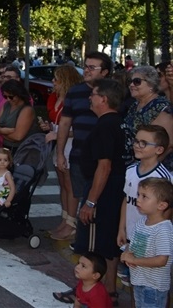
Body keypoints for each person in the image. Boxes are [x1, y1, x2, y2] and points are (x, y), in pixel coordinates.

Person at [55, 78, 125, 305]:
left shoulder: (106, 125)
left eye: (93, 95)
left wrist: (91, 202)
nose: (89, 98)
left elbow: (104, 167)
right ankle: (108, 291)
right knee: (107, 245)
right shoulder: (117, 122)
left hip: (102, 192)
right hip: (109, 190)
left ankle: (88, 291)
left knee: (94, 247)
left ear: (103, 99)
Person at [55, 52, 113, 252]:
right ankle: (74, 228)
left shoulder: (114, 92)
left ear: (105, 72)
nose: (86, 70)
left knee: (99, 199)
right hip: (79, 154)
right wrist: (60, 153)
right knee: (76, 192)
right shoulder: (75, 91)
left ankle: (93, 241)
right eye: (85, 66)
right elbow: (65, 123)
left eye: (92, 67)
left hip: (104, 157)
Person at [117, 125, 171, 289]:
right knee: (135, 281)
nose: (137, 145)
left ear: (159, 150)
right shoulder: (130, 170)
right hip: (131, 234)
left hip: (149, 239)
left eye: (144, 143)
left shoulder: (163, 178)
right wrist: (121, 228)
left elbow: (167, 212)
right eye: (136, 141)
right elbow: (127, 199)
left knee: (152, 284)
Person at [41, 64, 85, 241]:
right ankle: (65, 218)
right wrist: (49, 127)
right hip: (58, 142)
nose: (53, 82)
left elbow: (80, 128)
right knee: (62, 182)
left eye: (56, 79)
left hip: (70, 143)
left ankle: (71, 222)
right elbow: (57, 121)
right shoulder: (54, 97)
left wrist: (58, 133)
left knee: (70, 183)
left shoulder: (75, 100)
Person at [122, 178, 173, 308]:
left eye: (144, 196)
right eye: (138, 194)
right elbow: (132, 245)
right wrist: (127, 253)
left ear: (161, 205)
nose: (138, 199)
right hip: (139, 281)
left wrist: (134, 260)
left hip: (153, 287)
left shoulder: (163, 229)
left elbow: (162, 260)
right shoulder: (141, 222)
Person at [120, 66, 173, 168]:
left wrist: (148, 167)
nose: (131, 85)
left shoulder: (161, 106)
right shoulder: (134, 105)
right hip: (135, 165)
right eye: (130, 81)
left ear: (151, 85)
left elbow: (169, 144)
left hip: (156, 169)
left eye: (137, 81)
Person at [0, 79, 41, 152]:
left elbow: (18, 137)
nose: (8, 99)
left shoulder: (26, 110)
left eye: (11, 97)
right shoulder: (6, 105)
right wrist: (2, 130)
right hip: (6, 146)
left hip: (20, 150)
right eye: (5, 96)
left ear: (19, 94)